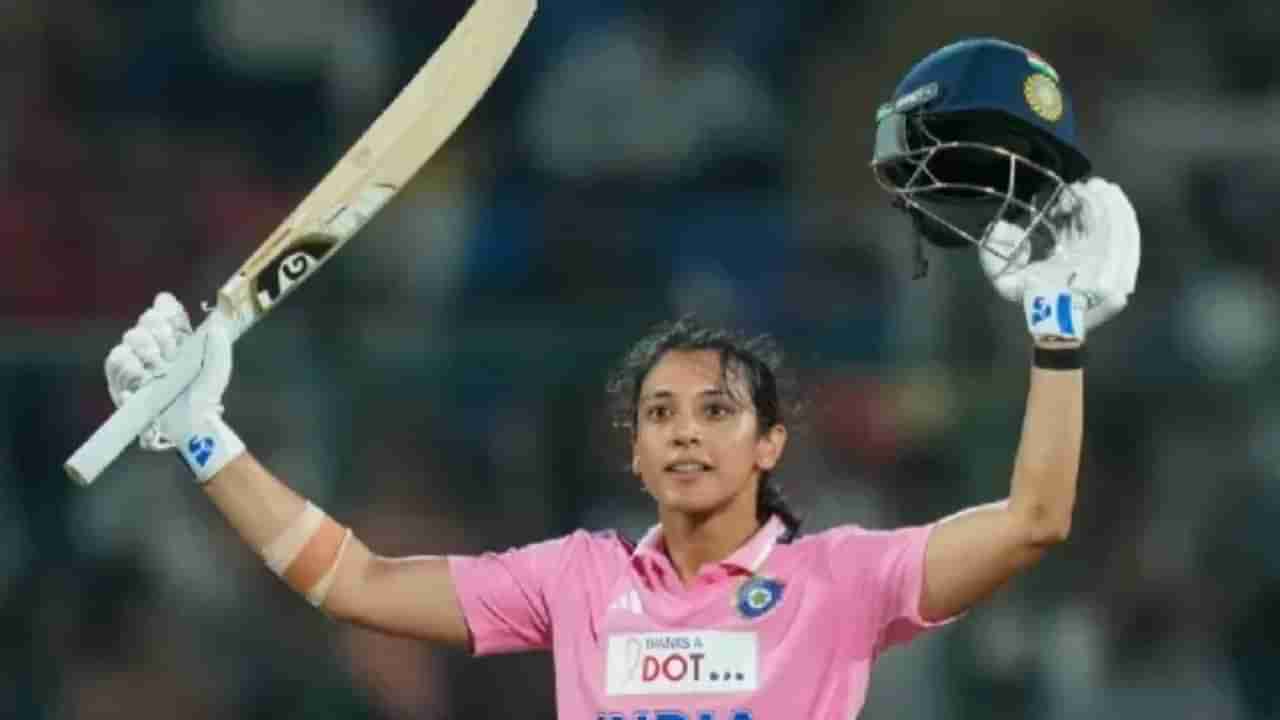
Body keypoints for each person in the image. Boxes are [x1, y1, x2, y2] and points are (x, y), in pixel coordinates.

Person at [102, 37, 1140, 719]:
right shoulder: (578, 582)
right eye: (659, 413)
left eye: (717, 410)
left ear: (769, 444)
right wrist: (202, 434)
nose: (685, 430)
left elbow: (1034, 520)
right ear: (633, 453)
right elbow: (356, 583)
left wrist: (1054, 327)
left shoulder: (842, 580)